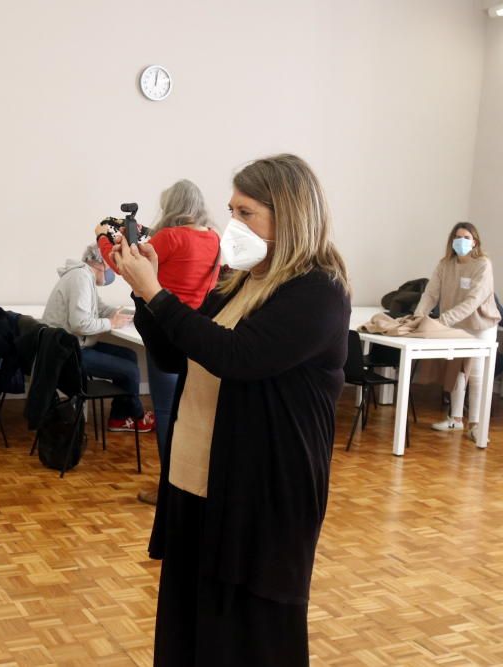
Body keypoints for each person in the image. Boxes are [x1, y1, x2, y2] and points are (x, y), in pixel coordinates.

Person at [112, 154, 350, 665]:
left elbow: (239, 358)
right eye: (231, 210)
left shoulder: (317, 291)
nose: (232, 225)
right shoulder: (239, 280)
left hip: (264, 484)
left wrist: (156, 292)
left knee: (250, 627)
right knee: (194, 613)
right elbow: (178, 353)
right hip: (202, 476)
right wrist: (143, 291)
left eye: (246, 212)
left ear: (289, 216)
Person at [96, 180, 220, 504]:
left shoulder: (171, 237)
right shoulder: (213, 239)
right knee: (191, 411)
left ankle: (168, 489)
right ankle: (189, 484)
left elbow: (125, 267)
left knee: (165, 411)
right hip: (200, 331)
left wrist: (101, 238)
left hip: (166, 329)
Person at [42, 244, 154, 432]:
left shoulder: (84, 276)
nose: (114, 271)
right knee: (130, 371)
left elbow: (100, 309)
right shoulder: (80, 278)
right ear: (101, 263)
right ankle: (136, 416)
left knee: (129, 356)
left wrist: (127, 315)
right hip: (68, 354)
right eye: (112, 264)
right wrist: (112, 323)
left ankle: (119, 416)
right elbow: (80, 323)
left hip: (75, 345)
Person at [415, 222, 501, 443]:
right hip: (455, 325)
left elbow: (473, 301)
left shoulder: (483, 265)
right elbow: (430, 294)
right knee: (456, 372)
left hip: (480, 325)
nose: (461, 241)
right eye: (457, 236)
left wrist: (442, 320)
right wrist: (419, 316)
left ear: (475, 242)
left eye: (466, 237)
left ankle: (476, 425)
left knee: (476, 375)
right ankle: (455, 419)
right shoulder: (445, 264)